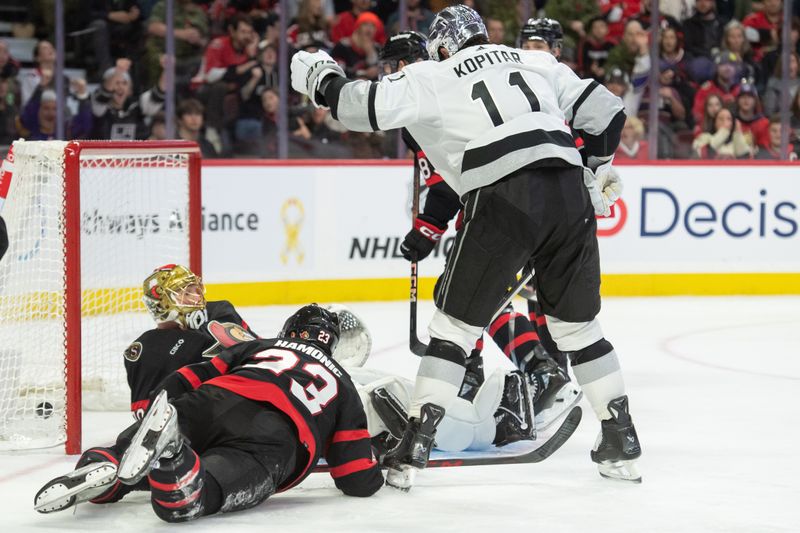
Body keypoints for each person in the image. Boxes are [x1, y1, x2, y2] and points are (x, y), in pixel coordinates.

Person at [291, 5, 641, 488]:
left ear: (441, 44)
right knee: (579, 328)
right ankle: (620, 438)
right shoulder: (533, 60)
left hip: (502, 194)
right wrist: (596, 165)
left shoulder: (432, 74)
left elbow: (359, 107)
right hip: (567, 190)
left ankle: (414, 447)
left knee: (454, 328)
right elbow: (607, 112)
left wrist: (320, 78)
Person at [383, 30, 579, 432]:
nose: (387, 73)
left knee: (472, 299)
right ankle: (479, 371)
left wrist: (426, 229)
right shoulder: (453, 84)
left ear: (405, 65)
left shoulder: (427, 99)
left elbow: (446, 185)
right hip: (533, 202)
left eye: (390, 66)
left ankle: (540, 370)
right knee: (475, 300)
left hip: (496, 213)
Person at [34, 304, 384, 521]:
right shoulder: (343, 383)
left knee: (128, 455)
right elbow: (355, 477)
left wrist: (167, 405)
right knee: (191, 495)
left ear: (288, 331)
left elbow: (189, 376)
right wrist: (379, 464)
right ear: (331, 344)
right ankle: (175, 459)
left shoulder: (260, 346)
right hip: (272, 439)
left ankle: (109, 465)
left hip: (214, 399)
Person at [125, 264, 257, 419]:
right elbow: (149, 414)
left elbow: (255, 350)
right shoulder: (147, 348)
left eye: (196, 290)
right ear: (162, 305)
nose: (197, 298)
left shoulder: (220, 312)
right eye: (187, 292)